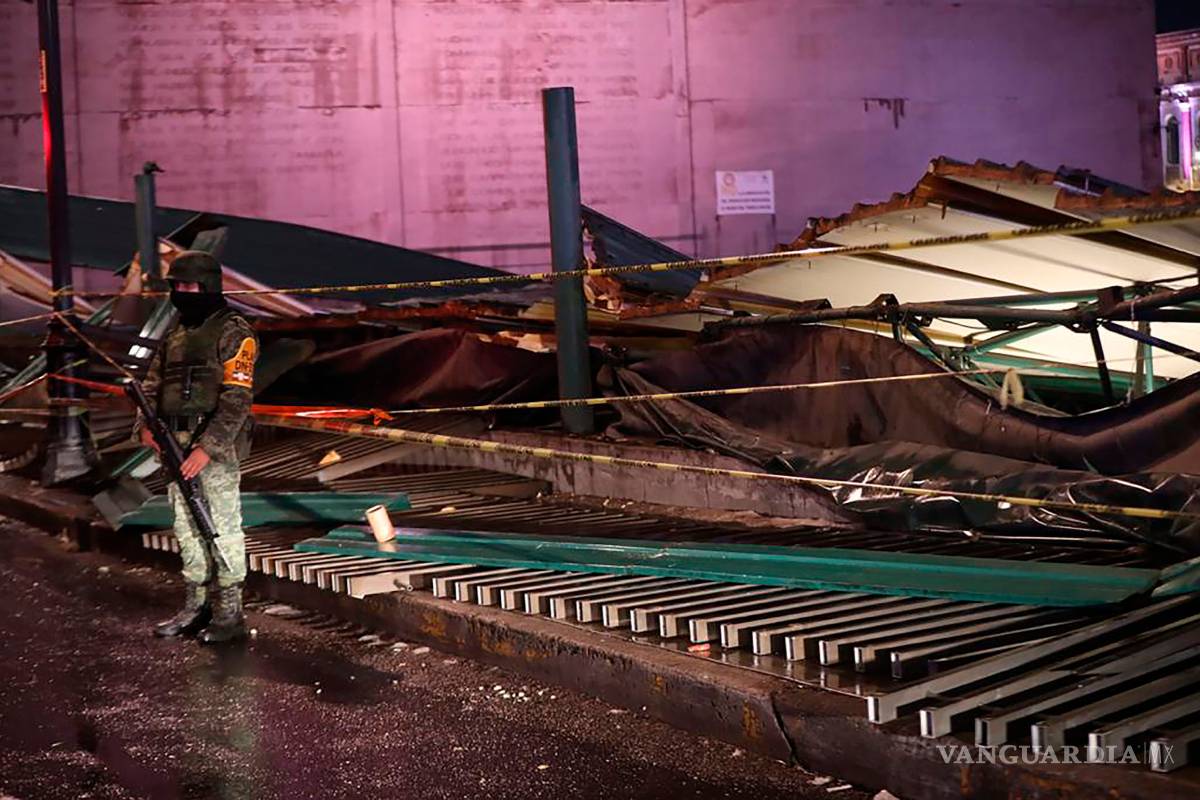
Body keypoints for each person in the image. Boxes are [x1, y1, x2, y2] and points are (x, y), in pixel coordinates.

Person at [133, 250, 257, 644]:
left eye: (190, 286)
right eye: (177, 286)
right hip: (174, 443)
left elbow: (237, 399)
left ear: (208, 286)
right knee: (187, 528)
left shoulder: (234, 330)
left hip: (213, 448)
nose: (182, 293)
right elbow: (151, 385)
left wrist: (208, 447)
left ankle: (229, 613)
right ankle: (196, 605)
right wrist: (144, 428)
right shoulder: (176, 333)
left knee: (219, 526)